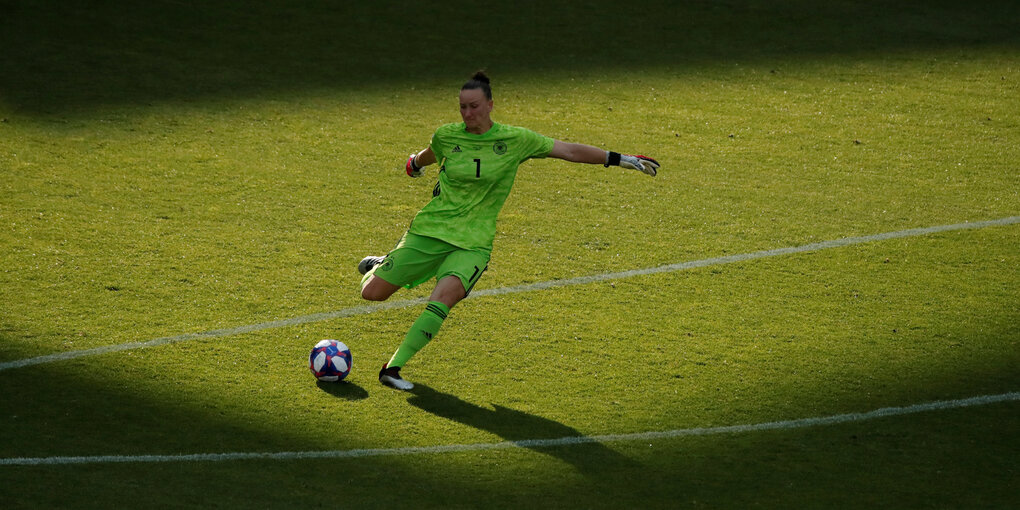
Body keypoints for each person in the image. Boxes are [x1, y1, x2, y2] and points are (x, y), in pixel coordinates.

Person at [359, 71, 660, 390]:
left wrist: (622, 160)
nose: (467, 114)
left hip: (473, 243)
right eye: (462, 107)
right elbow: (431, 152)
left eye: (474, 106)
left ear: (490, 104)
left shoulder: (516, 140)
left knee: (444, 298)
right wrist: (416, 164)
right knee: (372, 294)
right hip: (429, 231)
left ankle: (392, 369)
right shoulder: (447, 135)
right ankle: (380, 265)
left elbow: (569, 151)